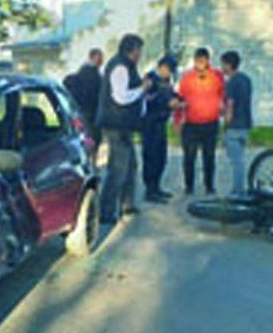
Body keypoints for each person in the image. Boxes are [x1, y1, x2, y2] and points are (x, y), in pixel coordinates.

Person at [96, 34, 152, 224]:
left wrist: (142, 96)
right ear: (132, 50)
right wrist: (142, 89)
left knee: (131, 165)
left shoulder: (127, 66)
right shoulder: (120, 67)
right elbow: (120, 97)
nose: (140, 54)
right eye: (139, 50)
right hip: (116, 124)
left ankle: (127, 203)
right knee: (118, 168)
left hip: (124, 124)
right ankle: (106, 210)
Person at [176, 47, 226, 195]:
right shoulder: (187, 78)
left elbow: (223, 94)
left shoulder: (217, 76)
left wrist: (223, 107)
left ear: (208, 61)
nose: (200, 64)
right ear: (194, 61)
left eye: (203, 61)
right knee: (189, 156)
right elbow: (180, 99)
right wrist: (177, 121)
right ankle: (189, 185)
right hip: (191, 123)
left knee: (209, 156)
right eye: (198, 61)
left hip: (211, 122)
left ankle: (209, 185)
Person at [142, 55, 184, 204]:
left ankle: (157, 187)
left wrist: (179, 100)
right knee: (151, 157)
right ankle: (150, 190)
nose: (169, 73)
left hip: (161, 122)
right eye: (168, 70)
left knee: (161, 157)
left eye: (171, 71)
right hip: (150, 123)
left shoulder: (167, 82)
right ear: (161, 67)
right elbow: (149, 98)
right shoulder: (151, 79)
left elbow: (172, 95)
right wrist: (168, 103)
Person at [221, 50, 253, 196]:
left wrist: (225, 125)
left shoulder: (231, 82)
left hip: (234, 126)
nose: (222, 68)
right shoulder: (246, 79)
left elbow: (230, 105)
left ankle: (238, 191)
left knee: (236, 162)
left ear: (229, 65)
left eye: (223, 64)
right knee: (240, 159)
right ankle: (238, 188)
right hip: (246, 124)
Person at [63, 49, 104, 145]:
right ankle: (91, 158)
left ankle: (88, 156)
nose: (101, 62)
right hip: (91, 112)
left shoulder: (80, 74)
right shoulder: (94, 75)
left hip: (79, 111)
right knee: (92, 139)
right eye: (99, 59)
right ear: (93, 58)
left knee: (85, 138)